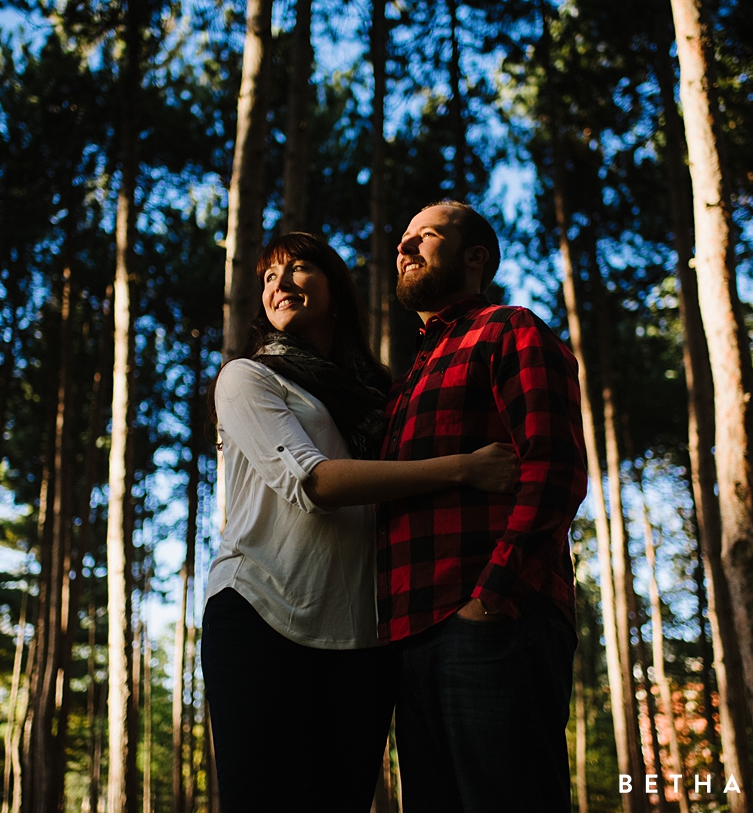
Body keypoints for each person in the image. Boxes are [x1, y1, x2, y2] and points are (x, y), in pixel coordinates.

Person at [200, 231, 518, 813]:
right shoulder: (248, 378)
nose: (280, 285)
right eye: (269, 277)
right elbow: (315, 482)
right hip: (260, 613)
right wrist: (464, 469)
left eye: (297, 270)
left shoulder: (381, 396)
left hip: (361, 637)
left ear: (336, 288)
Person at [377, 201, 588, 812]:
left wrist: (490, 597)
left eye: (425, 236)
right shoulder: (408, 378)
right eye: (402, 239)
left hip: (497, 622)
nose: (405, 247)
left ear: (475, 258)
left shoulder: (509, 329)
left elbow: (555, 471)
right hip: (408, 636)